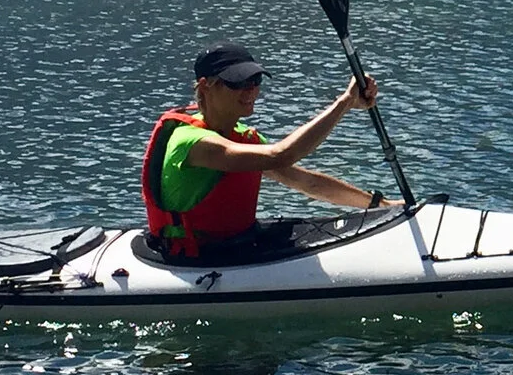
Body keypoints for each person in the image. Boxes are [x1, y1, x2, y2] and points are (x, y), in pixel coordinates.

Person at [142, 42, 385, 260]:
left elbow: (307, 182)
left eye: (255, 81)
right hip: (194, 256)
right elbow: (282, 154)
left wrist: (380, 205)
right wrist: (345, 103)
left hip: (239, 243)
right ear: (206, 86)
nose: (250, 91)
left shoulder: (243, 136)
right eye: (237, 83)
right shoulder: (195, 143)